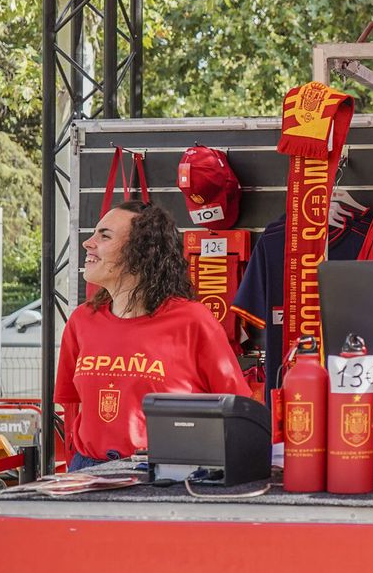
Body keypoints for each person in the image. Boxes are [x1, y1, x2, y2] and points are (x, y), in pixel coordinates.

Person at [56, 200, 250, 469]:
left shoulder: (193, 321)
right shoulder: (81, 320)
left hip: (164, 473)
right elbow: (72, 408)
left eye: (105, 236)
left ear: (141, 251)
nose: (88, 243)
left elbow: (238, 408)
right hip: (87, 469)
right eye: (94, 234)